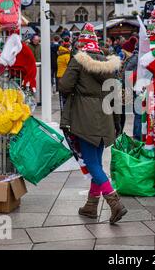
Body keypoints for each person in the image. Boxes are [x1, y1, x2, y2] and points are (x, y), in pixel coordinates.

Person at [59, 23, 127, 224]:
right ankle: (91, 205)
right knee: (96, 161)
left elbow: (64, 86)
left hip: (84, 117)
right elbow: (115, 95)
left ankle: (115, 203)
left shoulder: (79, 61)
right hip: (105, 117)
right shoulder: (110, 64)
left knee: (91, 163)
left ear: (81, 45)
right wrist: (117, 124)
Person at [56, 38, 71, 109]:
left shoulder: (60, 55)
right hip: (65, 76)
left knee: (61, 95)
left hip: (59, 75)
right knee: (66, 95)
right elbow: (70, 65)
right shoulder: (67, 56)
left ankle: (62, 109)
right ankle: (65, 109)